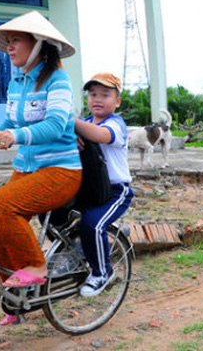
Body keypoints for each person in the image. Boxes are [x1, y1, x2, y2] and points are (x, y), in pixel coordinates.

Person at [0, 11, 82, 326]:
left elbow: (54, 125)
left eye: (16, 41)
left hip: (60, 171)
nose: (9, 47)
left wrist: (14, 136)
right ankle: (19, 302)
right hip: (27, 169)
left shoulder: (58, 80)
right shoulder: (17, 81)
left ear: (38, 43)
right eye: (8, 42)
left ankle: (37, 268)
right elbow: (10, 122)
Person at [74, 73, 134, 297]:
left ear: (117, 101)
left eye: (105, 95)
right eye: (93, 94)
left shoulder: (116, 124)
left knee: (92, 223)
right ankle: (73, 255)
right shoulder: (85, 123)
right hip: (87, 188)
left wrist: (70, 123)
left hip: (114, 191)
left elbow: (100, 135)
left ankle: (102, 272)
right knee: (52, 213)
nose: (97, 99)